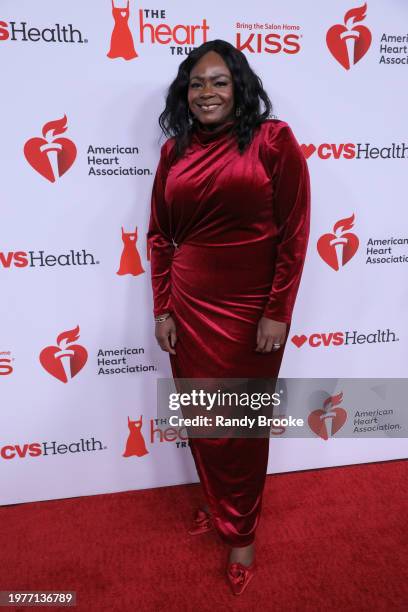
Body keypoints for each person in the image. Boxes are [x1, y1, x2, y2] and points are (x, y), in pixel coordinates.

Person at [147, 39, 310, 595]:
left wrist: (277, 313)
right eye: (196, 83)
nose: (207, 92)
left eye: (219, 81)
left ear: (239, 86)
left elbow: (293, 235)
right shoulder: (174, 153)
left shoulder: (273, 141)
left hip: (249, 313)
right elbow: (160, 238)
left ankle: (241, 531)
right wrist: (163, 307)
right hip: (189, 306)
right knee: (202, 417)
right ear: (184, 93)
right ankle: (220, 507)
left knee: (238, 426)